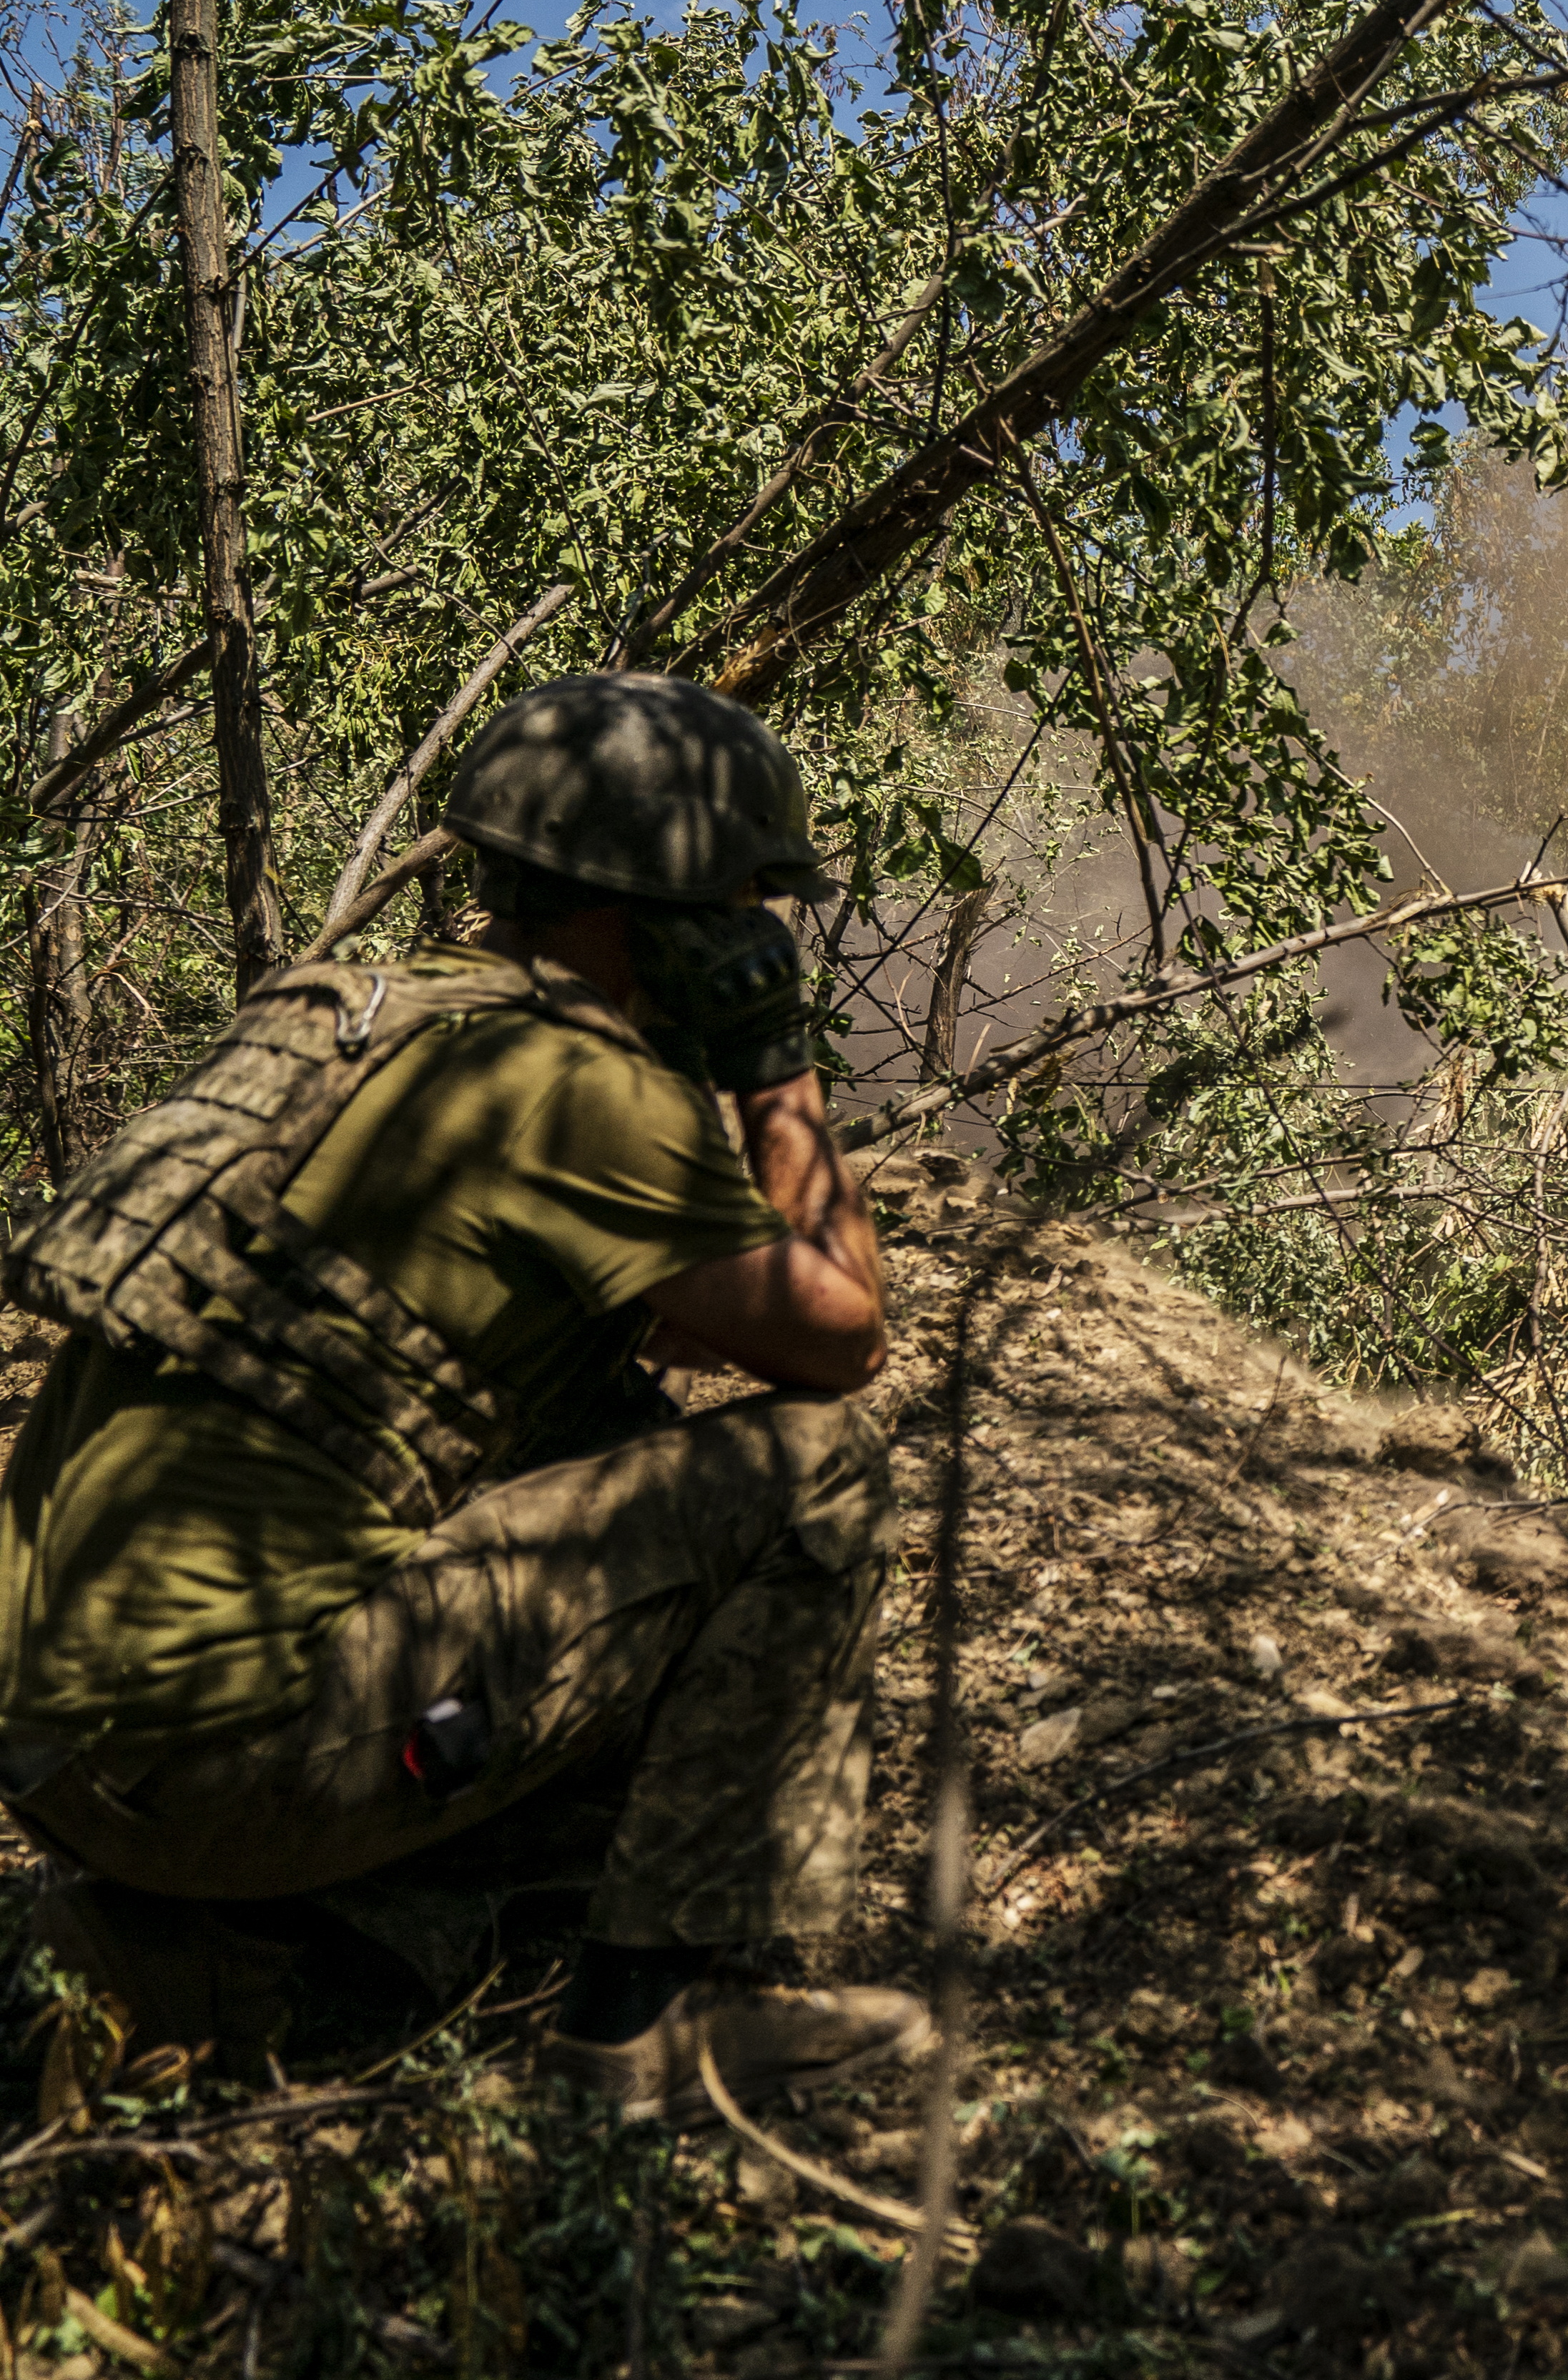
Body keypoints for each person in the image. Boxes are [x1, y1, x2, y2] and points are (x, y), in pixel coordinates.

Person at [0, 672, 927, 2123]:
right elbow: (843, 1339)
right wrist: (777, 1070)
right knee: (818, 1470)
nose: (767, 931)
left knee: (615, 1448)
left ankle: (198, 1964)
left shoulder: (347, 1016)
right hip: (226, 1749)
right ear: (671, 913)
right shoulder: (578, 1091)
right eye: (752, 900)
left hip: (67, 1743)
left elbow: (535, 1344)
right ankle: (657, 2013)